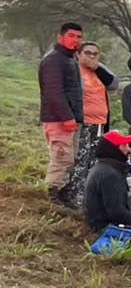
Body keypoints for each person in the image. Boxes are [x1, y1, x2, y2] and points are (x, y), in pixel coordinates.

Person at [58, 42, 118, 208]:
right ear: (78, 54)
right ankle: (72, 195)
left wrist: (97, 67)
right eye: (88, 53)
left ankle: (87, 197)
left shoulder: (100, 70)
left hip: (100, 122)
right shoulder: (73, 70)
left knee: (94, 161)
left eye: (95, 54)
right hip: (81, 122)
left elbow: (114, 84)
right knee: (79, 160)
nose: (91, 57)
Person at [38, 21, 85, 204]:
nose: (75, 40)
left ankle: (62, 195)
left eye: (79, 37)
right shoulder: (53, 60)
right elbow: (53, 91)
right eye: (71, 36)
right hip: (58, 118)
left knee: (68, 158)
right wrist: (66, 116)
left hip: (68, 118)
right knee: (60, 157)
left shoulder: (68, 58)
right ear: (60, 37)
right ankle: (52, 196)